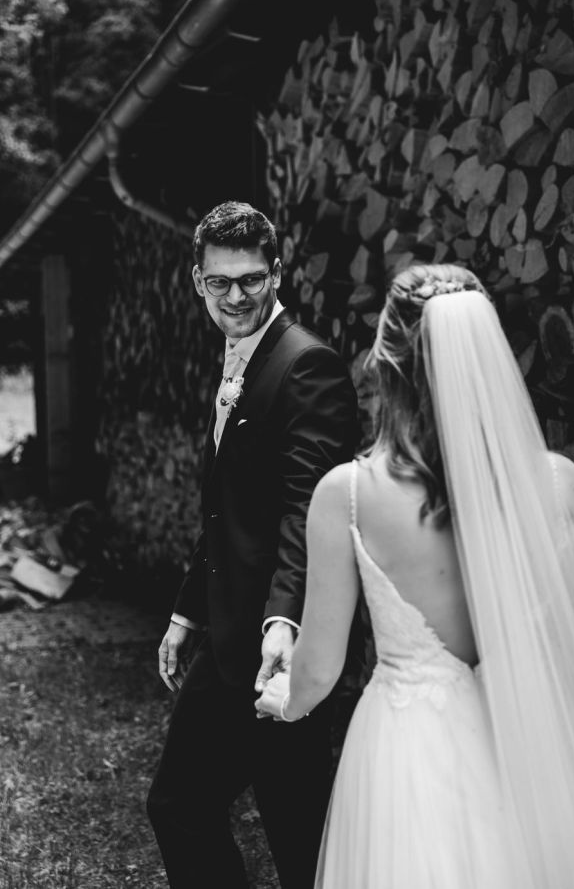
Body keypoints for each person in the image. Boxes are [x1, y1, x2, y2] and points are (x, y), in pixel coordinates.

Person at [257, 263, 574, 889]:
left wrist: (285, 697)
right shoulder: (563, 485)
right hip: (535, 755)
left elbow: (320, 671)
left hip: (408, 760)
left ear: (386, 366)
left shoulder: (349, 495)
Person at [146, 201, 358, 889]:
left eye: (251, 279)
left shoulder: (307, 365)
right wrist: (186, 612)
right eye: (220, 282)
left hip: (275, 642)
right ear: (197, 281)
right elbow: (225, 510)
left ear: (277, 272)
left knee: (218, 809)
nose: (236, 296)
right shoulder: (239, 357)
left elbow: (308, 511)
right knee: (281, 818)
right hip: (230, 629)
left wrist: (283, 621)